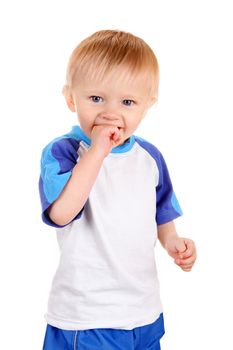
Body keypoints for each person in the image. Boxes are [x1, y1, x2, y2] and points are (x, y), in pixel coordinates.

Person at [39, 29, 197, 350]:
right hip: (88, 319)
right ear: (71, 98)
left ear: (147, 105)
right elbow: (62, 213)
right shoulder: (64, 151)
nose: (111, 112)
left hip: (144, 313)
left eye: (127, 102)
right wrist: (97, 151)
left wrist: (173, 242)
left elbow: (161, 212)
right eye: (96, 98)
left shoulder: (149, 157)